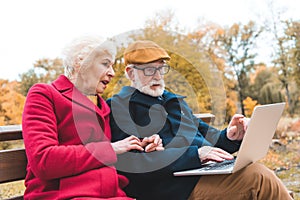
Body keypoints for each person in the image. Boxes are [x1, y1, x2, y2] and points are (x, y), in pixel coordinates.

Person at [107, 40, 293, 200]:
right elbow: (134, 164)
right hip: (172, 189)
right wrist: (195, 155)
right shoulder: (120, 108)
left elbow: (208, 139)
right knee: (258, 178)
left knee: (256, 171)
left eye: (161, 68)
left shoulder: (173, 101)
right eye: (149, 70)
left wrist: (230, 137)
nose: (157, 76)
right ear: (130, 73)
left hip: (203, 174)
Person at [22, 36, 163, 200]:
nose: (112, 73)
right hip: (63, 195)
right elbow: (44, 160)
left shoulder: (103, 106)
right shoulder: (45, 94)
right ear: (80, 63)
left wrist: (141, 146)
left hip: (112, 194)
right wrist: (111, 149)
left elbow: (106, 156)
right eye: (105, 64)